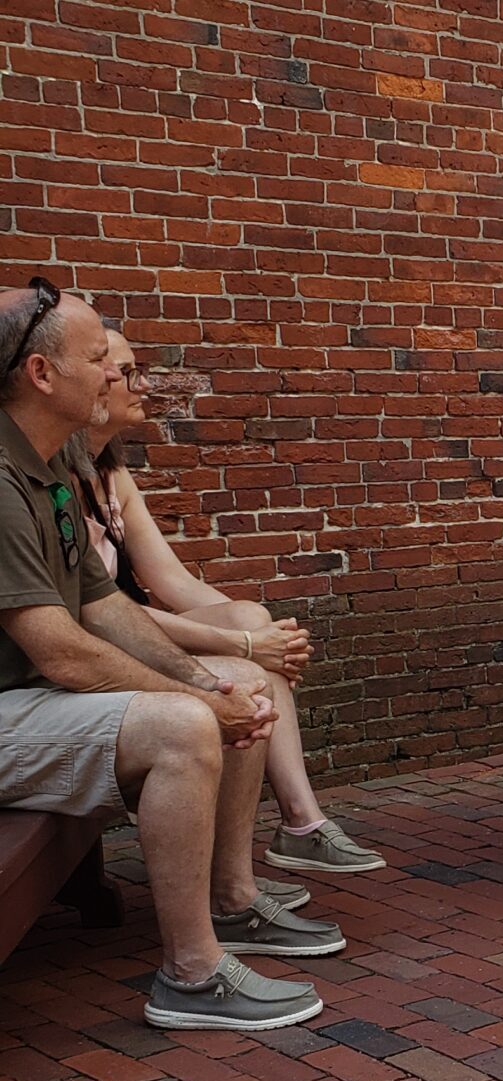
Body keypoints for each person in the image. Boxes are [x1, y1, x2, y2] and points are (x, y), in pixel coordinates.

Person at [1, 280, 341, 1030]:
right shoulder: (0, 478)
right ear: (42, 375)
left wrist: (207, 678)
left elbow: (106, 606)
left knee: (237, 684)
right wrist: (196, 703)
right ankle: (190, 973)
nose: (117, 375)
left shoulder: (51, 465)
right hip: (10, 706)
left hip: (28, 700)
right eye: (100, 359)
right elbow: (61, 651)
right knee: (186, 726)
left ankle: (235, 898)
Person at [67, 330, 384, 874]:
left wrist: (264, 634)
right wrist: (245, 643)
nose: (142, 383)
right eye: (125, 370)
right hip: (109, 636)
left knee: (255, 628)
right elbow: (97, 611)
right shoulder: (56, 483)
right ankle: (296, 827)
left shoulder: (112, 475)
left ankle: (301, 823)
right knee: (249, 655)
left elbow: (171, 580)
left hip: (144, 621)